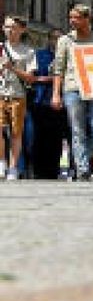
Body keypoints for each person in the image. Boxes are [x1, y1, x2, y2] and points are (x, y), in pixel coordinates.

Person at [51, 4, 93, 180]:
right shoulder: (65, 40)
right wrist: (56, 94)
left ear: (87, 19)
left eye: (76, 18)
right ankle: (82, 169)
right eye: (70, 17)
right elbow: (58, 69)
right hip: (72, 88)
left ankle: (80, 159)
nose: (72, 21)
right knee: (77, 129)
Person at [27, 29, 66, 179]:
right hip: (40, 101)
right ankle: (37, 169)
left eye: (60, 39)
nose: (56, 42)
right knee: (37, 137)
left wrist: (47, 79)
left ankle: (53, 170)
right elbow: (33, 75)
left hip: (59, 102)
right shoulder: (40, 55)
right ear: (49, 39)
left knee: (56, 138)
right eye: (54, 38)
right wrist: (48, 79)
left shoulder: (67, 57)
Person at [1, 16, 37, 180]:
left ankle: (13, 168)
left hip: (18, 96)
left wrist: (12, 68)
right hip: (1, 93)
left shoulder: (28, 51)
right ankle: (1, 162)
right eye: (7, 27)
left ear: (22, 30)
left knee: (16, 133)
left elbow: (31, 78)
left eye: (14, 27)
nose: (10, 30)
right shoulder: (0, 48)